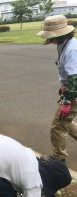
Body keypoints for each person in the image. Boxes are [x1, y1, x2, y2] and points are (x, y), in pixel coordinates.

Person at [37, 15, 77, 162]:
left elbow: (75, 78)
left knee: (58, 126)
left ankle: (58, 158)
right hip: (71, 87)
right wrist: (63, 84)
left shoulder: (71, 49)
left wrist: (67, 102)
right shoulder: (65, 44)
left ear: (61, 34)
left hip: (74, 91)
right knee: (65, 122)